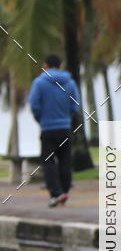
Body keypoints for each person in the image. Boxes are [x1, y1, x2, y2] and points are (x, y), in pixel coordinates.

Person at [28, 54, 80, 208]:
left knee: (49, 161)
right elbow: (75, 106)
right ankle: (64, 191)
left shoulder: (39, 83)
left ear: (45, 65)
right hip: (65, 127)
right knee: (65, 160)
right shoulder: (70, 83)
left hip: (48, 128)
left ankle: (56, 194)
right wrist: (65, 117)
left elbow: (34, 105)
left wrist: (41, 119)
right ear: (60, 65)